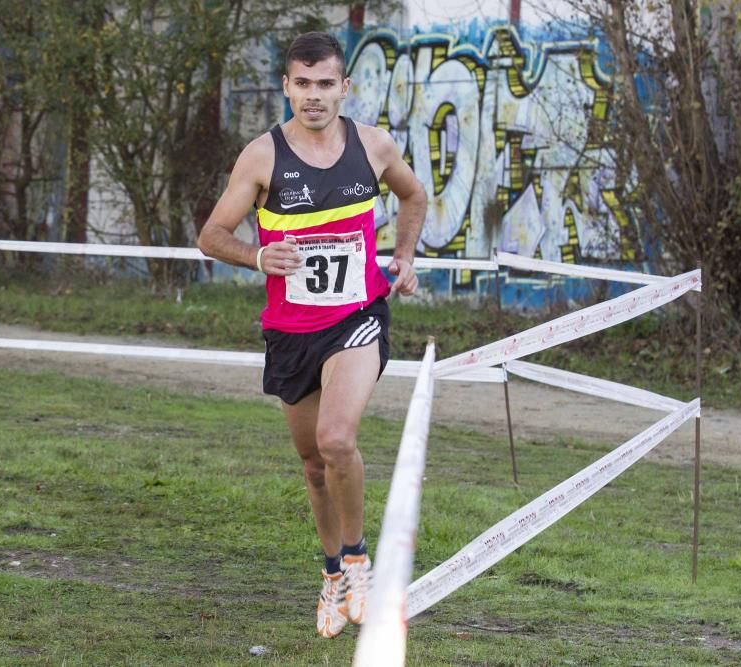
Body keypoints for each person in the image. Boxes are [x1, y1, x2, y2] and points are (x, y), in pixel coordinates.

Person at [197, 31, 426, 638]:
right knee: (313, 465)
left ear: (344, 87)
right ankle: (331, 573)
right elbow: (211, 235)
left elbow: (414, 195)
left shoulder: (373, 146)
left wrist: (403, 255)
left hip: (358, 316)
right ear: (287, 87)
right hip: (292, 331)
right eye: (303, 84)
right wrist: (256, 258)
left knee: (336, 439)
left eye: (326, 84)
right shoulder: (262, 157)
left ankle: (358, 562)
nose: (315, 96)